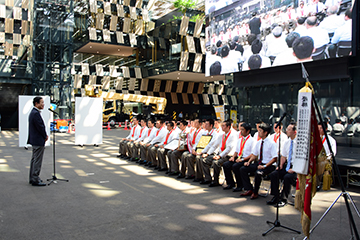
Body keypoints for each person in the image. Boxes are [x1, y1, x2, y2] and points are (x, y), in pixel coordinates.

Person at [240, 123, 277, 199]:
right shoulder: (259, 142)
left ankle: (255, 192)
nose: (258, 133)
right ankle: (249, 189)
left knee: (258, 173)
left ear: (265, 132)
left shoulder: (272, 143)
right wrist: (249, 162)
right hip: (259, 163)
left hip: (268, 165)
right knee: (243, 169)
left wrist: (265, 166)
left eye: (260, 131)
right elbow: (254, 154)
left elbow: (274, 158)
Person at [267, 123, 297, 207]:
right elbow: (284, 156)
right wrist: (280, 165)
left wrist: (294, 169)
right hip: (287, 166)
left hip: (296, 168)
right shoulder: (287, 142)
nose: (286, 131)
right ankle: (276, 196)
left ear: (295, 132)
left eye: (289, 129)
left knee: (287, 177)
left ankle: (284, 198)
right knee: (274, 174)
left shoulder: (299, 143)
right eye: (287, 129)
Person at [201, 120, 237, 187]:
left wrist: (220, 156)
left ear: (228, 127)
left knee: (216, 163)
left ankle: (215, 181)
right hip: (219, 154)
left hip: (227, 156)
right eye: (222, 125)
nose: (222, 127)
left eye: (223, 126)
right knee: (204, 160)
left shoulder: (232, 135)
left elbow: (229, 148)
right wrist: (208, 154)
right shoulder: (221, 135)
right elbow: (214, 145)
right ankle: (208, 178)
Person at [223, 123, 255, 191]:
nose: (241, 131)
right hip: (239, 158)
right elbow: (236, 151)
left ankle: (240, 185)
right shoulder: (240, 140)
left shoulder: (252, 140)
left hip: (246, 159)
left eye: (243, 130)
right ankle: (230, 183)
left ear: (248, 131)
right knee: (226, 165)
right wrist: (233, 157)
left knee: (236, 166)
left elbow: (252, 154)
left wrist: (242, 159)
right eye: (240, 130)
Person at [28, 96, 48, 186]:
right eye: (42, 102)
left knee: (34, 159)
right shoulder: (35, 113)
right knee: (37, 160)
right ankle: (35, 178)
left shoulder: (33, 112)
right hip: (38, 140)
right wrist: (45, 135)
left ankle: (32, 178)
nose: (43, 104)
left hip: (34, 139)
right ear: (36, 103)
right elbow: (40, 127)